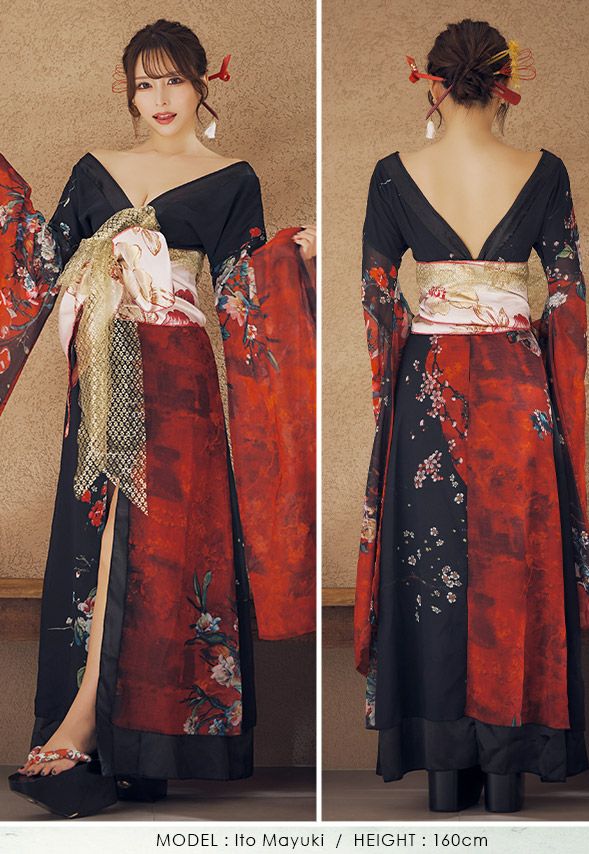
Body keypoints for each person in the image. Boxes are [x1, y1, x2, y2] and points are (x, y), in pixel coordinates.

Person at [0, 18, 315, 818]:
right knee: (102, 529)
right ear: (128, 91)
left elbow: (242, 291)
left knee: (162, 544)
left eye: (174, 80)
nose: (161, 98)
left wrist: (292, 258)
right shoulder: (95, 169)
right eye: (145, 83)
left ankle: (98, 732)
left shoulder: (231, 178)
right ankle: (94, 732)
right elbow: (39, 264)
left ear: (204, 83)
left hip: (178, 373)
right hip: (100, 363)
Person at [354, 18, 589, 814]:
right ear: (506, 84)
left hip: (426, 390)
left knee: (432, 569)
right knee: (512, 565)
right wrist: (541, 370)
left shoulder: (393, 175)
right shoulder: (544, 172)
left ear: (430, 83)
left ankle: (442, 773)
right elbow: (566, 297)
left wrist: (400, 381)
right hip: (517, 390)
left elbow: (376, 301)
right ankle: (505, 775)